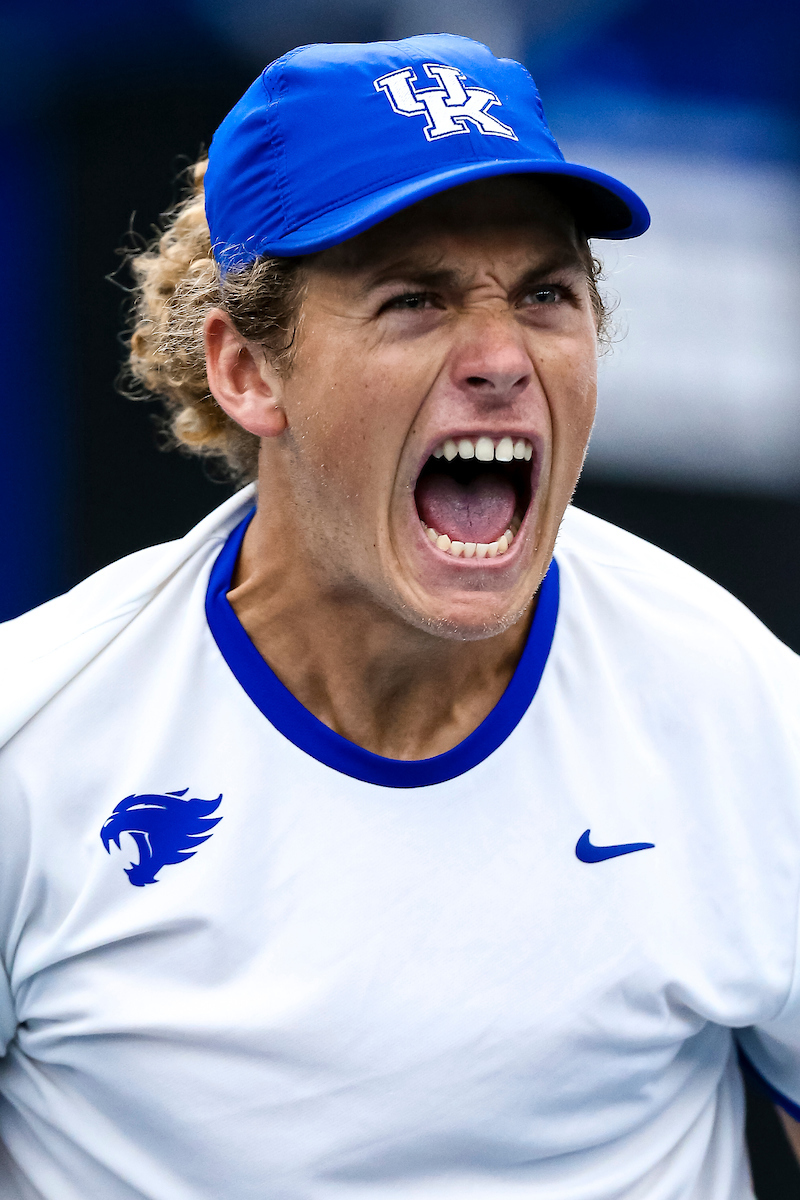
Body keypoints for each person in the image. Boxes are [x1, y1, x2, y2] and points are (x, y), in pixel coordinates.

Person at [0, 32, 799, 1200]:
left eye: (543, 294)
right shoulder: (34, 741)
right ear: (245, 371)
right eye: (413, 300)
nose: (499, 358)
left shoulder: (739, 706)